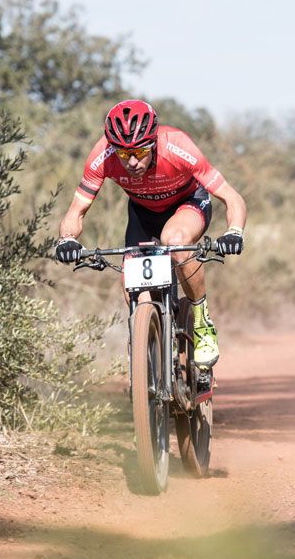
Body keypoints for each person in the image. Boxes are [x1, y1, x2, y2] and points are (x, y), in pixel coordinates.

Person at [54, 99, 247, 368]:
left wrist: (234, 232)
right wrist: (67, 239)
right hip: (143, 213)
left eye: (140, 152)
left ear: (154, 142)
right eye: (123, 154)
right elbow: (77, 210)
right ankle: (151, 354)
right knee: (130, 285)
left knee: (176, 241)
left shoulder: (178, 146)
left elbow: (232, 197)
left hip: (188, 204)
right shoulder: (103, 155)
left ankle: (203, 324)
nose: (132, 161)